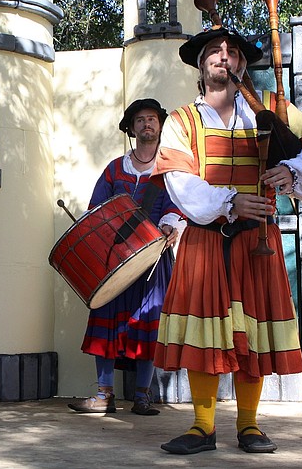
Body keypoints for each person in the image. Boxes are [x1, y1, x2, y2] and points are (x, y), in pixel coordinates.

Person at [153, 25, 302, 454]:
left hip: (258, 241)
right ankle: (202, 426)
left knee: (253, 331)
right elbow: (180, 182)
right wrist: (231, 202)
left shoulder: (273, 109)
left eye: (231, 52)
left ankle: (249, 425)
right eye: (213, 50)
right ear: (201, 64)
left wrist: (290, 174)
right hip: (205, 241)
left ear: (242, 65)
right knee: (204, 334)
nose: (223, 56)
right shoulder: (181, 121)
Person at [68, 99, 184, 416]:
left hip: (155, 260)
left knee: (148, 324)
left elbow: (181, 204)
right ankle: (104, 396)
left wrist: (171, 226)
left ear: (160, 126)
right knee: (105, 324)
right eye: (140, 120)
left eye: (152, 119)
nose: (147, 124)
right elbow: (97, 209)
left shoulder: (171, 167)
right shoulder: (115, 170)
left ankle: (142, 396)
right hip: (113, 260)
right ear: (132, 128)